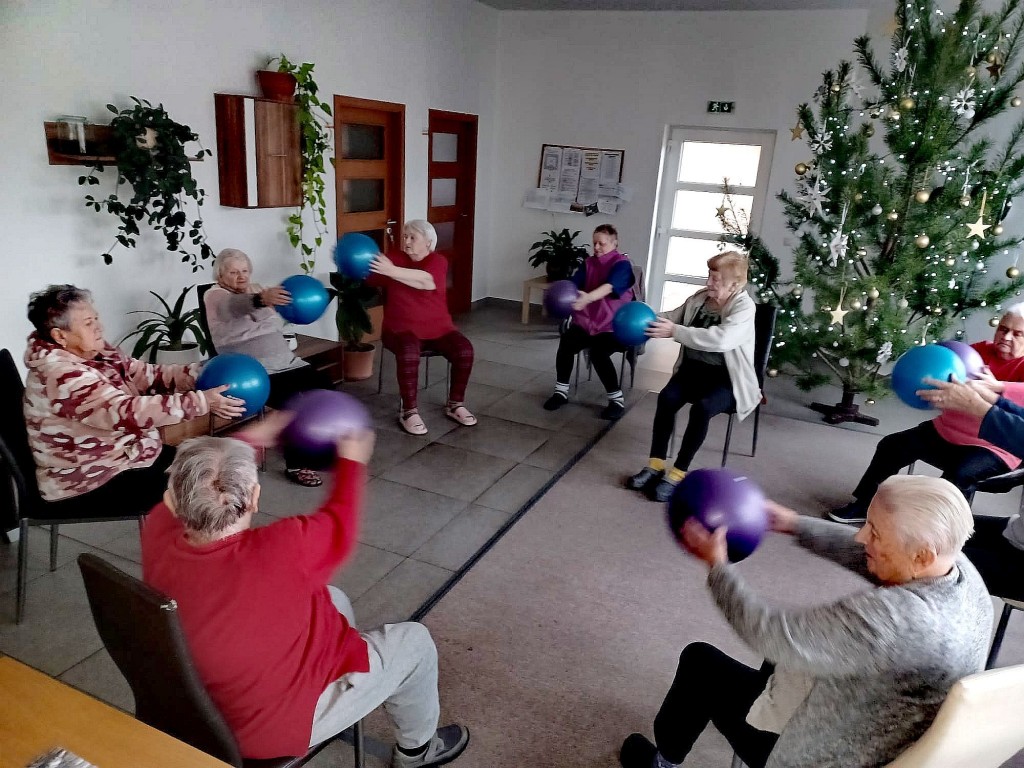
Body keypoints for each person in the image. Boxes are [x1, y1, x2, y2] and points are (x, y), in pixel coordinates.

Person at [140, 424, 470, 767]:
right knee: (415, 642)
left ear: (173, 500)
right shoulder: (285, 547)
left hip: (198, 706)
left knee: (331, 597)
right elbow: (340, 522)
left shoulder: (157, 529)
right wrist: (352, 461)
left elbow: (206, 480)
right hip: (261, 732)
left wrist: (245, 441)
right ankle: (416, 753)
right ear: (254, 498)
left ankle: (343, 686)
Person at [620, 475, 992, 768]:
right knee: (781, 659)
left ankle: (662, 762)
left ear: (922, 555)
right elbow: (875, 558)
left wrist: (716, 566)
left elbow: (770, 632)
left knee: (701, 663)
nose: (862, 536)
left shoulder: (898, 621)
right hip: (885, 721)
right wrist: (796, 525)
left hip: (817, 755)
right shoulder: (960, 572)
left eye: (875, 532)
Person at [22, 284, 244, 509]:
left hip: (126, 455)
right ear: (60, 335)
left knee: (212, 466)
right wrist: (201, 402)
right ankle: (193, 530)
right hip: (88, 477)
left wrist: (198, 373)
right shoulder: (61, 375)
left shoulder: (96, 352)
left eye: (96, 318)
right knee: (206, 488)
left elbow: (147, 375)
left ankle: (198, 529)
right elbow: (126, 411)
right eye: (89, 323)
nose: (99, 327)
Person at [829, 305, 1024, 524]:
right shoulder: (978, 351)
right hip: (947, 431)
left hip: (993, 447)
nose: (1006, 337)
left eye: (1017, 334)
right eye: (1003, 329)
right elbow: (941, 360)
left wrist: (999, 386)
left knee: (960, 474)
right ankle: (865, 504)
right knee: (891, 446)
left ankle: (942, 531)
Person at [626, 251, 758, 502]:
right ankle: (655, 466)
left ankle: (678, 473)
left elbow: (721, 339)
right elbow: (672, 318)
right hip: (692, 371)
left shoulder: (744, 307)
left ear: (734, 284)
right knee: (666, 398)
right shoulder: (699, 299)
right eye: (709, 276)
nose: (708, 283)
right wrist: (645, 320)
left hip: (726, 379)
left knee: (702, 409)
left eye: (716, 279)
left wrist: (675, 331)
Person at [204, 247, 334, 486]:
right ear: (220, 275)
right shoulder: (215, 295)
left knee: (326, 388)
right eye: (233, 272)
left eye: (245, 271)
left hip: (287, 362)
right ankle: (297, 464)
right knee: (294, 402)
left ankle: (320, 448)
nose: (241, 277)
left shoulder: (256, 288)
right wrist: (261, 300)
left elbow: (273, 322)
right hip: (257, 372)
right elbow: (232, 306)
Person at [917, 375, 1024, 599]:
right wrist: (995, 401)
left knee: (919, 559)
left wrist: (980, 407)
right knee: (925, 532)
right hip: (1017, 533)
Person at [366, 220, 476, 436]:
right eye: (405, 236)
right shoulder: (394, 258)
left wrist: (392, 271)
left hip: (439, 329)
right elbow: (371, 278)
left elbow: (426, 281)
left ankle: (455, 404)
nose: (406, 241)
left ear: (428, 242)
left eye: (412, 237)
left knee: (465, 350)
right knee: (408, 352)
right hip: (399, 330)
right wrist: (362, 267)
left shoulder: (438, 261)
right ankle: (409, 411)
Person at [543, 223, 635, 420]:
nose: (596, 247)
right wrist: (564, 294)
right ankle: (561, 392)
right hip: (588, 324)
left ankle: (616, 400)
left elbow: (610, 287)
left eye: (601, 243)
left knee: (598, 354)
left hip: (613, 326)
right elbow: (574, 284)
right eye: (594, 243)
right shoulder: (588, 263)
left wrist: (588, 298)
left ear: (614, 243)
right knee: (566, 343)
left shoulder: (622, 264)